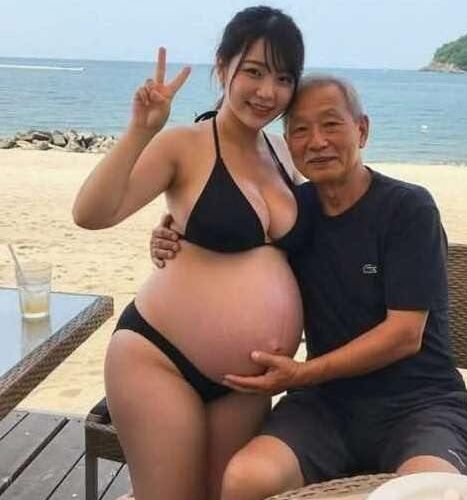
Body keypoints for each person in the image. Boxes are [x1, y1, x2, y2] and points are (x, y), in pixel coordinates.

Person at [151, 75, 467, 500]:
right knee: (244, 481)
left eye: (331, 124)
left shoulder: (407, 208)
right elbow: (230, 242)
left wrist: (303, 373)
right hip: (326, 406)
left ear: (361, 130)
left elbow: (405, 334)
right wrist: (175, 232)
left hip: (421, 404)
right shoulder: (292, 214)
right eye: (301, 130)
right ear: (288, 143)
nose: (317, 141)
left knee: (424, 494)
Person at [72, 6, 307, 500]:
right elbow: (91, 214)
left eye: (283, 78)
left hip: (244, 382)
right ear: (222, 67)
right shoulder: (184, 144)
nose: (267, 91)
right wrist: (141, 130)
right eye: (254, 71)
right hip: (161, 359)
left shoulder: (285, 154)